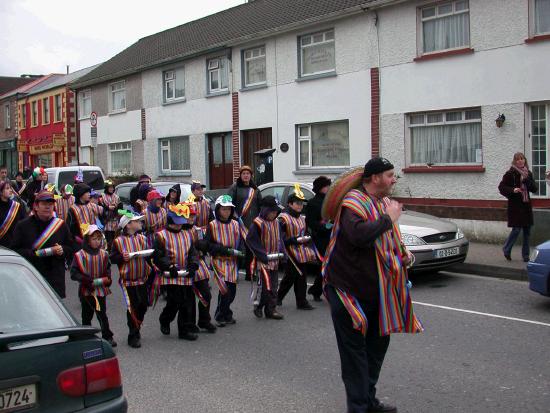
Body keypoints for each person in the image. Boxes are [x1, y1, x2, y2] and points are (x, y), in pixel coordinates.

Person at [323, 158, 423, 413]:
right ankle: (358, 408)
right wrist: (388, 219)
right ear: (375, 177)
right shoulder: (353, 203)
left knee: (376, 351)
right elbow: (359, 237)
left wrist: (403, 255)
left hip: (377, 293)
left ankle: (368, 401)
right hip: (348, 293)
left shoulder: (381, 204)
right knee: (355, 356)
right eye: (390, 175)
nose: (394, 180)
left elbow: (386, 241)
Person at [11, 190, 74, 298]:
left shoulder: (60, 225)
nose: (48, 207)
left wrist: (62, 249)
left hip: (55, 278)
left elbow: (71, 248)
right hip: (31, 276)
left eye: (50, 204)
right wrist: (37, 254)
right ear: (36, 206)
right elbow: (15, 251)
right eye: (44, 204)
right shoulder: (23, 226)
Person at [153, 203, 200, 341]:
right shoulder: (161, 236)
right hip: (170, 275)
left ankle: (184, 330)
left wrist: (193, 265)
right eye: (176, 223)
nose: (179, 226)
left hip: (184, 274)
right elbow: (158, 256)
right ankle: (165, 319)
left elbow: (193, 253)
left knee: (186, 303)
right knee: (174, 302)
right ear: (170, 221)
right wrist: (169, 266)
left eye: (181, 223)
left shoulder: (187, 235)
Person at [110, 210, 152, 348]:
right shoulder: (118, 241)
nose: (140, 222)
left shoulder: (142, 238)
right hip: (128, 280)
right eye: (136, 221)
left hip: (142, 278)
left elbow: (149, 255)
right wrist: (122, 257)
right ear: (128, 225)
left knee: (144, 304)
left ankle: (137, 326)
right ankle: (133, 334)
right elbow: (112, 258)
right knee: (133, 306)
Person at [70, 224, 116, 347]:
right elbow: (74, 273)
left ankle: (107, 336)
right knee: (86, 315)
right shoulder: (80, 255)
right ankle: (86, 336)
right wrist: (86, 280)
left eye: (99, 239)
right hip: (86, 290)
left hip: (100, 290)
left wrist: (108, 278)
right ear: (87, 240)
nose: (97, 241)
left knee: (102, 314)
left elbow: (107, 269)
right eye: (94, 239)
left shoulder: (103, 254)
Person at [277, 184, 317, 310]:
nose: (300, 205)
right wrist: (294, 240)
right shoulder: (283, 218)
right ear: (289, 204)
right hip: (289, 252)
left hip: (300, 251)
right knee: (290, 277)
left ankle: (301, 301)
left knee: (301, 276)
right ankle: (278, 297)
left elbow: (305, 232)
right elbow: (280, 238)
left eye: (301, 203)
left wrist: (308, 236)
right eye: (297, 203)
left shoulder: (301, 218)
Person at [207, 195, 244, 327]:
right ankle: (220, 314)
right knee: (225, 290)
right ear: (217, 210)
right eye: (223, 209)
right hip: (219, 261)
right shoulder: (212, 225)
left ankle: (226, 312)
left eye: (229, 209)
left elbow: (241, 240)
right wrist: (223, 249)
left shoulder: (235, 223)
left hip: (233, 262)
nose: (226, 212)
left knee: (232, 291)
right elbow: (208, 245)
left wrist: (241, 251)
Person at [246, 195, 285, 320]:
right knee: (265, 288)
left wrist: (283, 253)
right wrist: (262, 255)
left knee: (274, 287)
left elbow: (280, 240)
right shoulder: (257, 224)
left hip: (274, 260)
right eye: (272, 211)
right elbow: (251, 241)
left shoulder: (277, 223)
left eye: (275, 212)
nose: (274, 214)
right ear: (265, 210)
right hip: (262, 261)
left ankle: (271, 310)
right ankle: (259, 306)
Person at [498, 152, 538, 262]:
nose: (520, 161)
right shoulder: (510, 173)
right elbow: (501, 187)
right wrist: (513, 190)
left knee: (527, 232)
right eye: (517, 159)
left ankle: (525, 256)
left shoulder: (528, 173)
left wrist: (527, 181)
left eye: (522, 159)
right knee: (516, 229)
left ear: (525, 160)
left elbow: (534, 189)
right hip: (515, 206)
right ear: (514, 161)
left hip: (526, 206)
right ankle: (506, 249)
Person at [228, 165, 262, 281]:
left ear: (251, 176)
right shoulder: (235, 187)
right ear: (240, 175)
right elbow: (228, 204)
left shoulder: (255, 189)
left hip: (252, 224)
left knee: (251, 250)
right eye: (244, 174)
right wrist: (232, 218)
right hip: (238, 223)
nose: (246, 175)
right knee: (237, 249)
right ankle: (234, 273)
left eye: (248, 174)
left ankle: (250, 273)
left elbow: (260, 206)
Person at [305, 176, 332, 302]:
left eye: (328, 186)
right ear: (320, 188)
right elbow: (310, 222)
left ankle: (317, 289)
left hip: (332, 236)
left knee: (331, 265)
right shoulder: (312, 203)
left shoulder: (331, 201)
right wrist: (324, 227)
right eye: (326, 186)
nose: (328, 188)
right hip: (320, 239)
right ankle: (317, 290)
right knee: (324, 265)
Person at [66, 183, 104, 248]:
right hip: (79, 243)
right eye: (87, 192)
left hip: (93, 240)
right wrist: (75, 239)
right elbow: (69, 228)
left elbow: (103, 212)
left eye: (89, 192)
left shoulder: (91, 205)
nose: (89, 194)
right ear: (80, 194)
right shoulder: (72, 209)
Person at [0, 180, 26, 248]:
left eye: (11, 188)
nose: (11, 190)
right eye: (7, 188)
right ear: (1, 192)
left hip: (14, 243)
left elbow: (23, 221)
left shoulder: (16, 205)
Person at [100, 180, 122, 251]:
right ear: (106, 188)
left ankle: (114, 251)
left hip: (115, 222)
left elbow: (120, 208)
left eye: (112, 187)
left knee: (115, 239)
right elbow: (100, 208)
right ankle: (108, 252)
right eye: (109, 187)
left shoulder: (116, 197)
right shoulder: (102, 197)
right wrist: (107, 208)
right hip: (106, 223)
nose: (111, 189)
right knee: (108, 240)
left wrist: (116, 209)